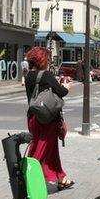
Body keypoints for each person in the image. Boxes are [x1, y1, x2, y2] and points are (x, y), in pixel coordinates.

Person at [24, 46, 73, 191]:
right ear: (42, 59)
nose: (49, 61)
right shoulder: (45, 75)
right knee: (41, 149)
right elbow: (61, 92)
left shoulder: (29, 76)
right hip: (46, 119)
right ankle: (27, 179)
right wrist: (67, 86)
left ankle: (61, 177)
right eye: (48, 58)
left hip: (33, 117)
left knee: (51, 149)